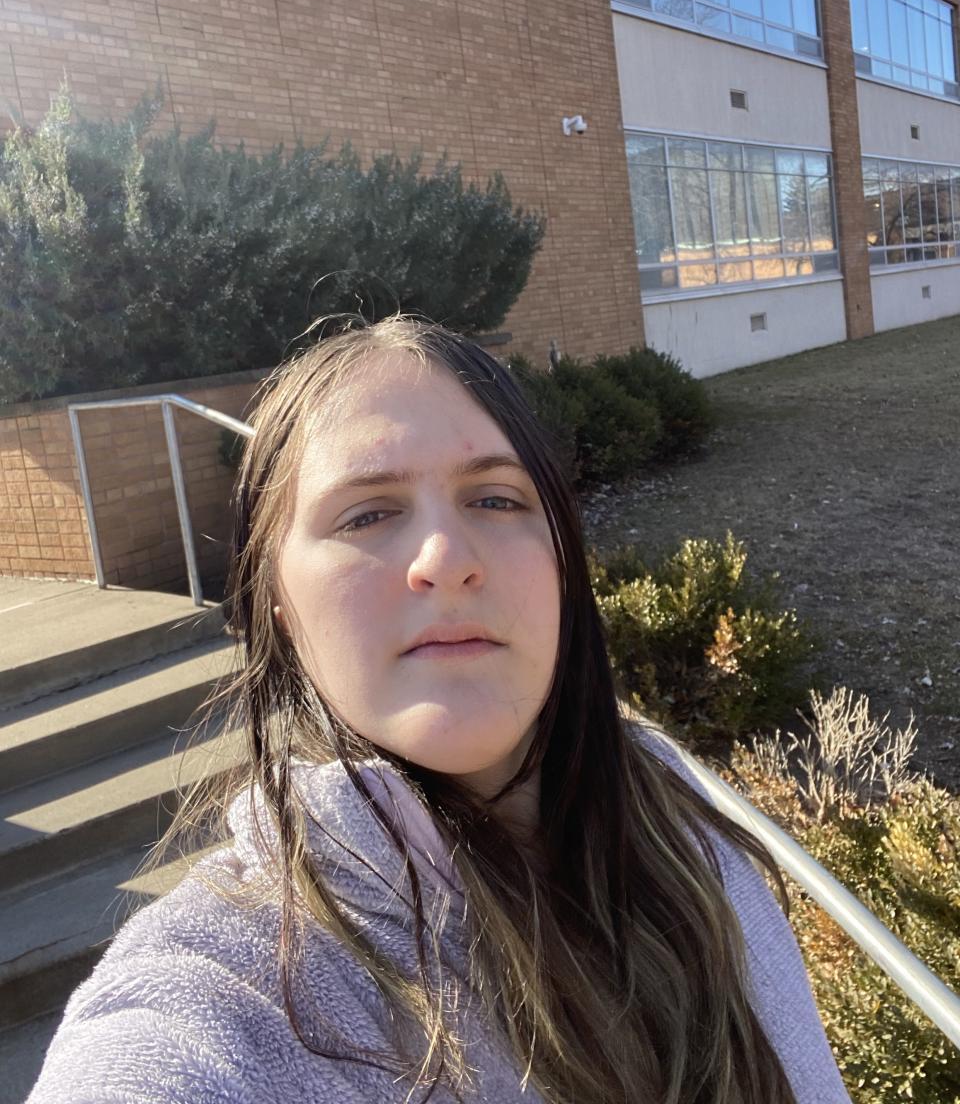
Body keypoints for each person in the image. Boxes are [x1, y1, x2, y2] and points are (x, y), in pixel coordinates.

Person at [28, 314, 851, 1104]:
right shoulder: (224, 989)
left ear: (563, 561)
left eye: (495, 499)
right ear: (277, 602)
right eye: (368, 513)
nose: (446, 558)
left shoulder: (677, 814)